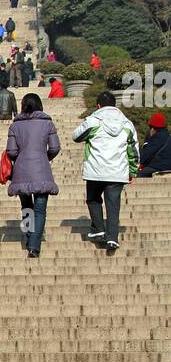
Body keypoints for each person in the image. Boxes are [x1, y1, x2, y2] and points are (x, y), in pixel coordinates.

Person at [72, 90, 139, 252]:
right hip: (117, 171)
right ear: (115, 105)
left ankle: (98, 229)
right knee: (113, 205)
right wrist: (133, 170)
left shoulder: (93, 121)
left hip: (95, 170)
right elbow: (133, 150)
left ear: (98, 105)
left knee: (93, 199)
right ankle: (112, 238)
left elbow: (76, 136)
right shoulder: (127, 124)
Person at [5, 92, 61, 258]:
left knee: (26, 207)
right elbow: (55, 147)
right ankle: (34, 246)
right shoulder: (47, 123)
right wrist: (45, 157)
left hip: (21, 170)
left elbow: (11, 151)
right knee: (40, 210)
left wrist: (20, 158)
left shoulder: (15, 125)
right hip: (41, 169)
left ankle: (29, 236)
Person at [137, 112, 171, 176]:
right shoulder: (168, 136)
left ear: (153, 128)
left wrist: (147, 140)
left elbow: (145, 156)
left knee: (136, 175)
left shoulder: (157, 137)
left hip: (157, 167)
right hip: (167, 166)